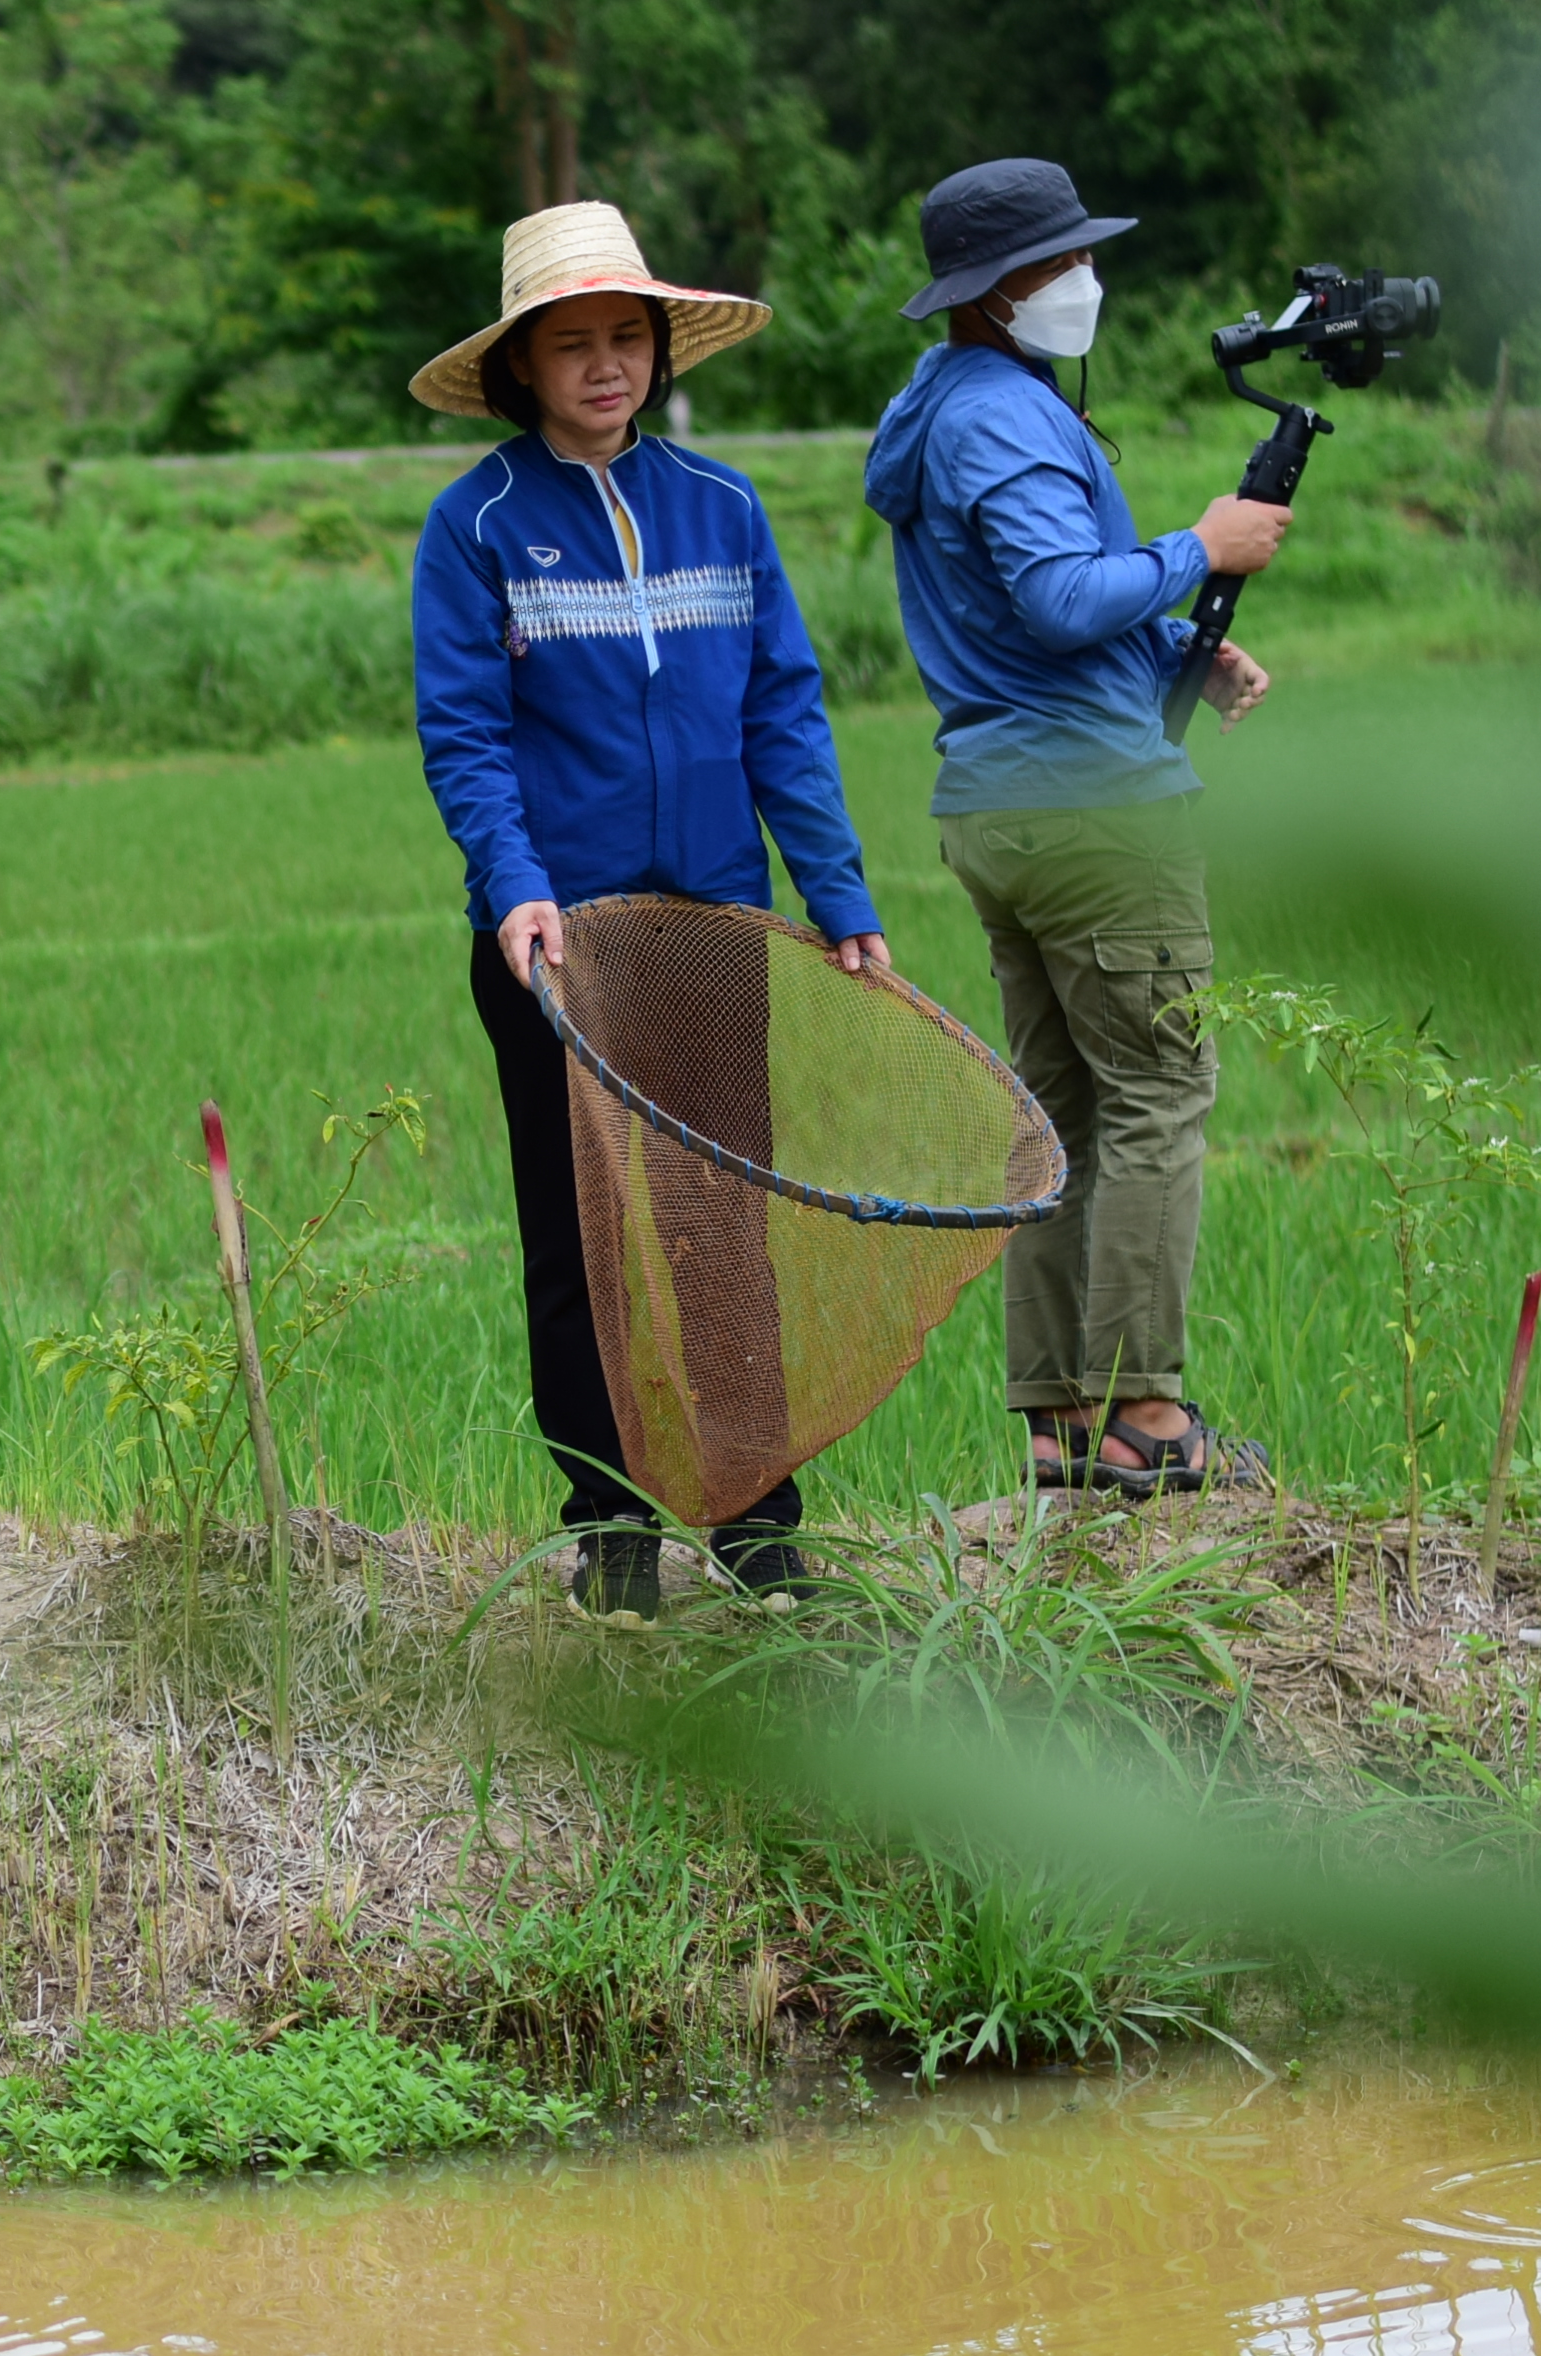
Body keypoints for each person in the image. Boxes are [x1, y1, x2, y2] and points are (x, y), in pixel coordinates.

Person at [407, 201, 891, 1619]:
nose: (607, 366)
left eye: (629, 338)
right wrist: (517, 891)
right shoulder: (479, 525)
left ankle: (756, 1521)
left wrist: (839, 891)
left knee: (722, 1229)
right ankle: (609, 1527)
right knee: (579, 1241)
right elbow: (468, 737)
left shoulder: (725, 508)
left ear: (662, 352)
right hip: (561, 946)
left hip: (711, 933)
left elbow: (784, 713)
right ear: (522, 368)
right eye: (575, 346)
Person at [868, 156, 1285, 1497]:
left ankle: (1059, 1420)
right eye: (1059, 267)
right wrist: (1199, 550)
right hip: (1096, 811)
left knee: (1059, 1107)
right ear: (995, 295)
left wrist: (1179, 645)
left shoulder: (941, 404)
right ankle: (1146, 1417)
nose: (1083, 283)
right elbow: (1055, 599)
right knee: (1161, 1092)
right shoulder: (1004, 416)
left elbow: (1019, 616)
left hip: (1000, 802)